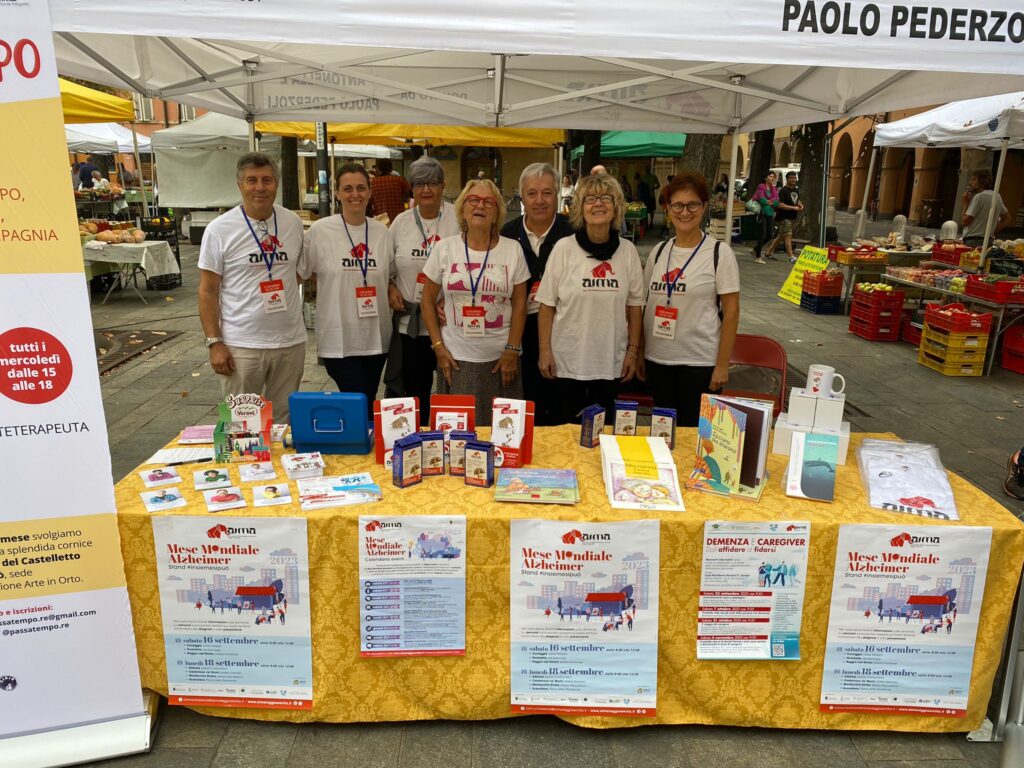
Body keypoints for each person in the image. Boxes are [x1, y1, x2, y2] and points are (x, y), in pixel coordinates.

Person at [198, 153, 306, 423]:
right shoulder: (219, 229)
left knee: (285, 424)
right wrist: (214, 343)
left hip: (289, 343)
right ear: (240, 185)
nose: (260, 187)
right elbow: (207, 291)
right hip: (242, 346)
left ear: (276, 184)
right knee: (242, 427)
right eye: (252, 180)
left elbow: (296, 274)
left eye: (267, 180)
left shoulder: (292, 222)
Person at [421, 178, 530, 427]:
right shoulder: (444, 249)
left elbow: (521, 304)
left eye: (488, 202)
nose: (480, 205)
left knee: (504, 434)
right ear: (462, 208)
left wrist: (513, 350)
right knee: (458, 436)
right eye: (473, 200)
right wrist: (438, 347)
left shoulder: (512, 250)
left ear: (497, 212)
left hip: (502, 360)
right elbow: (427, 301)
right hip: (456, 359)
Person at [536, 174, 644, 425]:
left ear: (616, 206)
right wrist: (544, 351)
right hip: (567, 362)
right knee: (566, 433)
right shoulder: (564, 249)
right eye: (590, 199)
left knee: (602, 436)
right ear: (580, 208)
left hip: (610, 362)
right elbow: (547, 306)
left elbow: (635, 307)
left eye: (606, 198)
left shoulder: (627, 252)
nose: (598, 204)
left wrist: (633, 352)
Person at [640, 172, 740, 427]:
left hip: (699, 364)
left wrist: (722, 365)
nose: (685, 212)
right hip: (658, 360)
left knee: (695, 438)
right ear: (668, 208)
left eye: (692, 204)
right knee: (663, 435)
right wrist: (640, 352)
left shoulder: (719, 253)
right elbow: (645, 305)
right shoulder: (659, 251)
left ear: (704, 207)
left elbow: (731, 312)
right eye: (677, 205)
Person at [301, 163, 394, 416]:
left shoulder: (382, 233)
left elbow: (391, 275)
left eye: (361, 188)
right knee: (357, 398)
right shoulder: (320, 231)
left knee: (367, 395)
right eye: (348, 188)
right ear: (337, 193)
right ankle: (357, 445)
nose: (355, 194)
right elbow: (301, 273)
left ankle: (358, 444)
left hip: (376, 336)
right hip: (338, 337)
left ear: (370, 191)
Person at [384, 156, 459, 421]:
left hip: (449, 324)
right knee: (415, 396)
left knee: (451, 395)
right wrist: (391, 286)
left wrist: (449, 297)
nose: (426, 190)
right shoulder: (401, 223)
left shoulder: (457, 218)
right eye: (419, 184)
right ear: (412, 189)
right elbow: (387, 266)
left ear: (443, 186)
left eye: (433, 183)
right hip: (411, 327)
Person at [500, 163, 575, 426]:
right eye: (532, 193)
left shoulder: (574, 232)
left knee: (561, 407)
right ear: (522, 197)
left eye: (547, 193)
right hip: (520, 333)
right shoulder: (506, 234)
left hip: (564, 333)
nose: (539, 201)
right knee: (526, 405)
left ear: (557, 195)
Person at [962, 169, 1011, 244]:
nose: (970, 183)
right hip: (988, 240)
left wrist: (965, 202)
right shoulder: (996, 196)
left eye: (974, 179)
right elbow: (1007, 218)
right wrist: (991, 231)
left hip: (973, 240)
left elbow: (965, 221)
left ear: (982, 181)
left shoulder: (979, 197)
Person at [770, 171, 804, 262]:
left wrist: (800, 205)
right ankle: (790, 256)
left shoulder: (796, 190)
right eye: (791, 178)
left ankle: (768, 252)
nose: (793, 180)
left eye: (795, 178)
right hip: (783, 216)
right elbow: (780, 205)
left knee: (781, 236)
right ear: (787, 179)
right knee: (788, 235)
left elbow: (797, 200)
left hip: (791, 216)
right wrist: (794, 208)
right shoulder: (783, 191)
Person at [370, 159, 411, 224]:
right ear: (391, 168)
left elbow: (370, 203)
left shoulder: (373, 184)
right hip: (399, 219)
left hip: (381, 221)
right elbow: (409, 194)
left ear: (378, 169)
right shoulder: (400, 180)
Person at [752, 171, 779, 263]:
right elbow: (762, 200)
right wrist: (770, 202)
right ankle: (758, 256)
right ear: (765, 178)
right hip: (762, 213)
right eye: (770, 176)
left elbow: (777, 201)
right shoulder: (761, 186)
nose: (772, 178)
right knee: (762, 234)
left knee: (769, 234)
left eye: (773, 177)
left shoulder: (773, 188)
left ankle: (755, 249)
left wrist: (769, 202)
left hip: (770, 213)